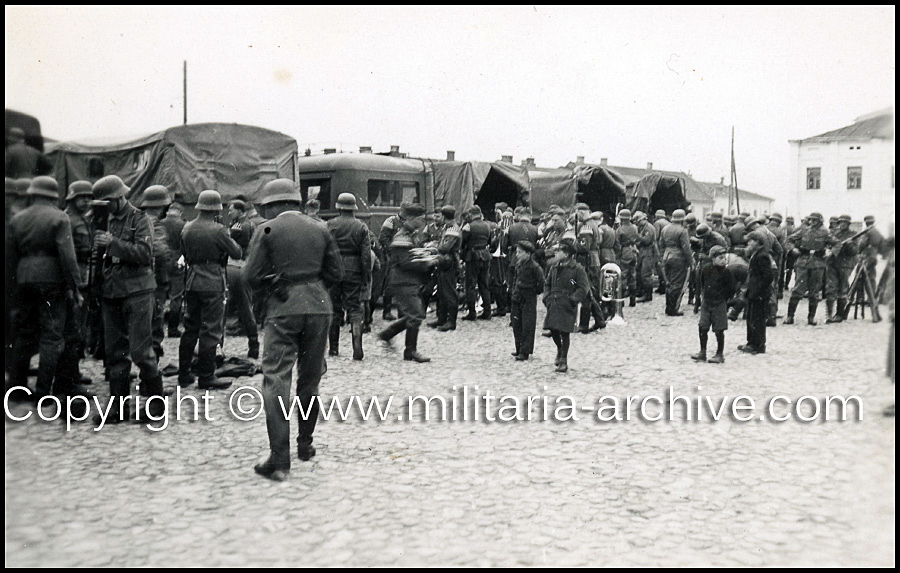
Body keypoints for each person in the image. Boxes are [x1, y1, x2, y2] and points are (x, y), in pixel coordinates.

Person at [245, 178, 343, 481]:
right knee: (311, 379)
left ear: (274, 204)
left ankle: (279, 459)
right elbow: (336, 273)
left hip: (283, 309)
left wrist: (274, 284)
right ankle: (305, 444)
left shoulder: (267, 230)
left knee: (276, 380)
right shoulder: (320, 228)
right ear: (296, 202)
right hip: (318, 306)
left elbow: (250, 276)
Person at [90, 175, 165, 424]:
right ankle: (118, 408)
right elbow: (96, 257)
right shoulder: (104, 220)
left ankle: (156, 406)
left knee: (141, 351)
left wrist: (114, 244)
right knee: (114, 352)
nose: (104, 207)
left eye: (107, 202)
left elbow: (145, 254)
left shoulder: (140, 219)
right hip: (111, 290)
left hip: (137, 290)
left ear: (118, 197)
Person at [7, 176, 84, 402]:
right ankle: (43, 391)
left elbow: (11, 257)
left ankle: (16, 387)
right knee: (51, 336)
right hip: (51, 281)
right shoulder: (60, 217)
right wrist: (76, 287)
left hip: (23, 278)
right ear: (54, 195)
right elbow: (68, 257)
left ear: (32, 193)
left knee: (23, 333)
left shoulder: (18, 218)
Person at [177, 190, 242, 390]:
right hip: (213, 281)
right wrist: (232, 236)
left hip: (192, 280)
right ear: (216, 209)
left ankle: (184, 374)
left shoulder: (186, 228)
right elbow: (237, 253)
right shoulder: (219, 230)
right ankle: (206, 376)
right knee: (211, 330)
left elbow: (185, 254)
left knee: (190, 328)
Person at [377, 203, 437, 362]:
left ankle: (387, 335)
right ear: (409, 218)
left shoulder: (411, 234)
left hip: (408, 281)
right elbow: (405, 262)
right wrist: (427, 262)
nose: (421, 222)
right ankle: (410, 350)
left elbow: (412, 254)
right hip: (403, 280)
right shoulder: (402, 237)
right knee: (416, 314)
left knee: (415, 314)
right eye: (418, 219)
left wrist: (427, 252)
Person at [56, 181, 96, 390]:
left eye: (89, 197)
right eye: (82, 197)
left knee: (79, 330)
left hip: (84, 277)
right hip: (75, 279)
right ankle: (68, 381)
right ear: (72, 199)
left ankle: (74, 374)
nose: (87, 201)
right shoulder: (68, 220)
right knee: (71, 332)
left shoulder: (81, 218)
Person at [326, 193, 371, 360]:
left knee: (334, 308)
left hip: (334, 269)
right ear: (354, 208)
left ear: (339, 207)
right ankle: (357, 347)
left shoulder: (330, 224)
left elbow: (325, 249)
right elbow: (366, 255)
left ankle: (334, 349)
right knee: (354, 308)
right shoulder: (361, 226)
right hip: (354, 269)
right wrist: (366, 276)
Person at [543, 241, 589, 373]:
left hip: (567, 303)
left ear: (567, 254)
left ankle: (563, 360)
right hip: (554, 302)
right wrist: (546, 297)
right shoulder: (554, 267)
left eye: (559, 251)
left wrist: (573, 300)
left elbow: (583, 287)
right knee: (553, 330)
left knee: (565, 332)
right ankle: (559, 348)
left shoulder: (577, 269)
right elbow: (547, 283)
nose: (556, 253)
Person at [139, 185, 173, 359]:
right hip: (155, 281)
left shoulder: (137, 219)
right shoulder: (155, 224)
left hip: (140, 281)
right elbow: (159, 251)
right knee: (155, 321)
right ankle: (152, 369)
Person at [784, 212, 836, 325]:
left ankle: (811, 317)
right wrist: (792, 249)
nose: (812, 222)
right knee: (797, 290)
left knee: (814, 292)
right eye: (811, 220)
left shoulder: (825, 232)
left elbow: (837, 243)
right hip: (803, 262)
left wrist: (830, 252)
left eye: (814, 220)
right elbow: (789, 239)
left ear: (820, 221)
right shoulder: (804, 230)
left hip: (817, 264)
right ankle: (790, 316)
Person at [224, 198, 259, 358]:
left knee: (223, 311)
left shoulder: (240, 226)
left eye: (231, 209)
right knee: (246, 308)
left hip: (234, 267)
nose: (229, 212)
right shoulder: (249, 223)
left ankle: (218, 348)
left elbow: (237, 248)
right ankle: (254, 345)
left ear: (239, 210)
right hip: (245, 268)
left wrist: (228, 235)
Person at [691, 246, 736, 364]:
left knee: (719, 330)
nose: (723, 260)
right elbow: (701, 283)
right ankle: (702, 351)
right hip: (707, 303)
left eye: (725, 258)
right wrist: (699, 301)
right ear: (713, 258)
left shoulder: (727, 272)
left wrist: (725, 300)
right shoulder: (705, 269)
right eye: (720, 258)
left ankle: (720, 353)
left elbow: (731, 289)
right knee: (702, 327)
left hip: (719, 304)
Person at [739, 231, 776, 354]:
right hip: (754, 292)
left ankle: (758, 345)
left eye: (751, 241)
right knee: (751, 317)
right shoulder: (757, 254)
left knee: (758, 319)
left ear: (757, 242)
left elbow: (768, 276)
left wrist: (759, 291)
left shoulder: (762, 256)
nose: (748, 243)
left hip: (759, 293)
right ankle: (751, 342)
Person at [509, 240, 544, 361]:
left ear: (528, 254)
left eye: (520, 252)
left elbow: (541, 282)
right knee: (516, 323)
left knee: (527, 324)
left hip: (528, 296)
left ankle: (525, 351)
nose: (517, 254)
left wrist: (535, 291)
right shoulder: (519, 264)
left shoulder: (535, 267)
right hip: (517, 295)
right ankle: (518, 347)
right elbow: (515, 279)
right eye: (517, 252)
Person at [429, 205, 462, 332]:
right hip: (443, 261)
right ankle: (441, 318)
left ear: (444, 216)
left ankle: (451, 321)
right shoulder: (448, 227)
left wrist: (434, 246)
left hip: (449, 262)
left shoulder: (452, 229)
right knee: (442, 291)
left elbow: (445, 247)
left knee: (449, 292)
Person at [461, 205, 494, 321]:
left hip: (473, 256)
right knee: (484, 284)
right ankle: (487, 311)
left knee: (470, 285)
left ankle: (472, 312)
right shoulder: (487, 226)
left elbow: (462, 242)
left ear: (471, 214)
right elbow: (490, 241)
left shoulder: (468, 226)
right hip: (485, 255)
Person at [660, 209, 695, 316]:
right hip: (678, 257)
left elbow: (661, 244)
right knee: (677, 283)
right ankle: (673, 308)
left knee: (669, 282)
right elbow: (686, 248)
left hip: (667, 255)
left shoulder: (665, 229)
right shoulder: (683, 230)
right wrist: (691, 262)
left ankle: (668, 307)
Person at [161, 196, 187, 338]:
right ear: (180, 212)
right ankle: (172, 329)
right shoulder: (183, 224)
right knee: (176, 297)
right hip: (177, 262)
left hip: (162, 261)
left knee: (158, 295)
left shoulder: (160, 223)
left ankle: (155, 328)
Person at [825, 215, 858, 323]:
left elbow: (855, 251)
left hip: (845, 264)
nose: (842, 224)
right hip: (832, 263)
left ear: (848, 224)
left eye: (845, 223)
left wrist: (849, 245)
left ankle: (839, 314)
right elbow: (826, 245)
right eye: (841, 222)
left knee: (842, 289)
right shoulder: (833, 233)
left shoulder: (853, 235)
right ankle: (829, 315)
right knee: (830, 287)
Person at [615, 209, 640, 307]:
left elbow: (617, 244)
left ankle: (621, 301)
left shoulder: (619, 230)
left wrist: (618, 255)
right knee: (632, 275)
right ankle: (632, 300)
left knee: (623, 276)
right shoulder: (634, 227)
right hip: (634, 250)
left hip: (625, 251)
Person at [633, 211, 658, 302]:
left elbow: (646, 241)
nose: (638, 224)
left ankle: (648, 295)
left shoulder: (649, 228)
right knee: (638, 272)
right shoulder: (642, 227)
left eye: (638, 222)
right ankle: (640, 291)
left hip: (649, 252)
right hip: (642, 251)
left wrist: (637, 236)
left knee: (646, 274)